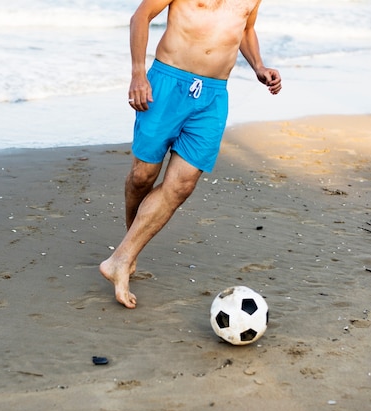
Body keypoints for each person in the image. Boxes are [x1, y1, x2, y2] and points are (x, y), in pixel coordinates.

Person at [100, 0, 282, 309]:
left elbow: (246, 29)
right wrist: (137, 74)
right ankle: (126, 250)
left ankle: (122, 258)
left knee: (182, 185)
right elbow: (140, 16)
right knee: (143, 176)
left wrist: (259, 66)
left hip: (212, 96)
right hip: (166, 83)